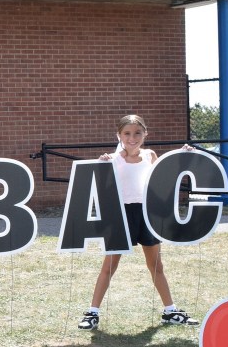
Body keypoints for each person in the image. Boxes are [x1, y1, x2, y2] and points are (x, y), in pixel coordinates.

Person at [78, 114, 198, 331]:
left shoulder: (150, 155)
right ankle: (92, 313)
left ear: (145, 134)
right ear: (119, 135)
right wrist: (102, 164)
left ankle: (170, 311)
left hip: (147, 214)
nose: (132, 138)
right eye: (127, 133)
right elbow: (101, 186)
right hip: (121, 215)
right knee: (109, 266)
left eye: (137, 133)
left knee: (156, 266)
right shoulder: (112, 159)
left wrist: (182, 155)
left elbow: (165, 176)